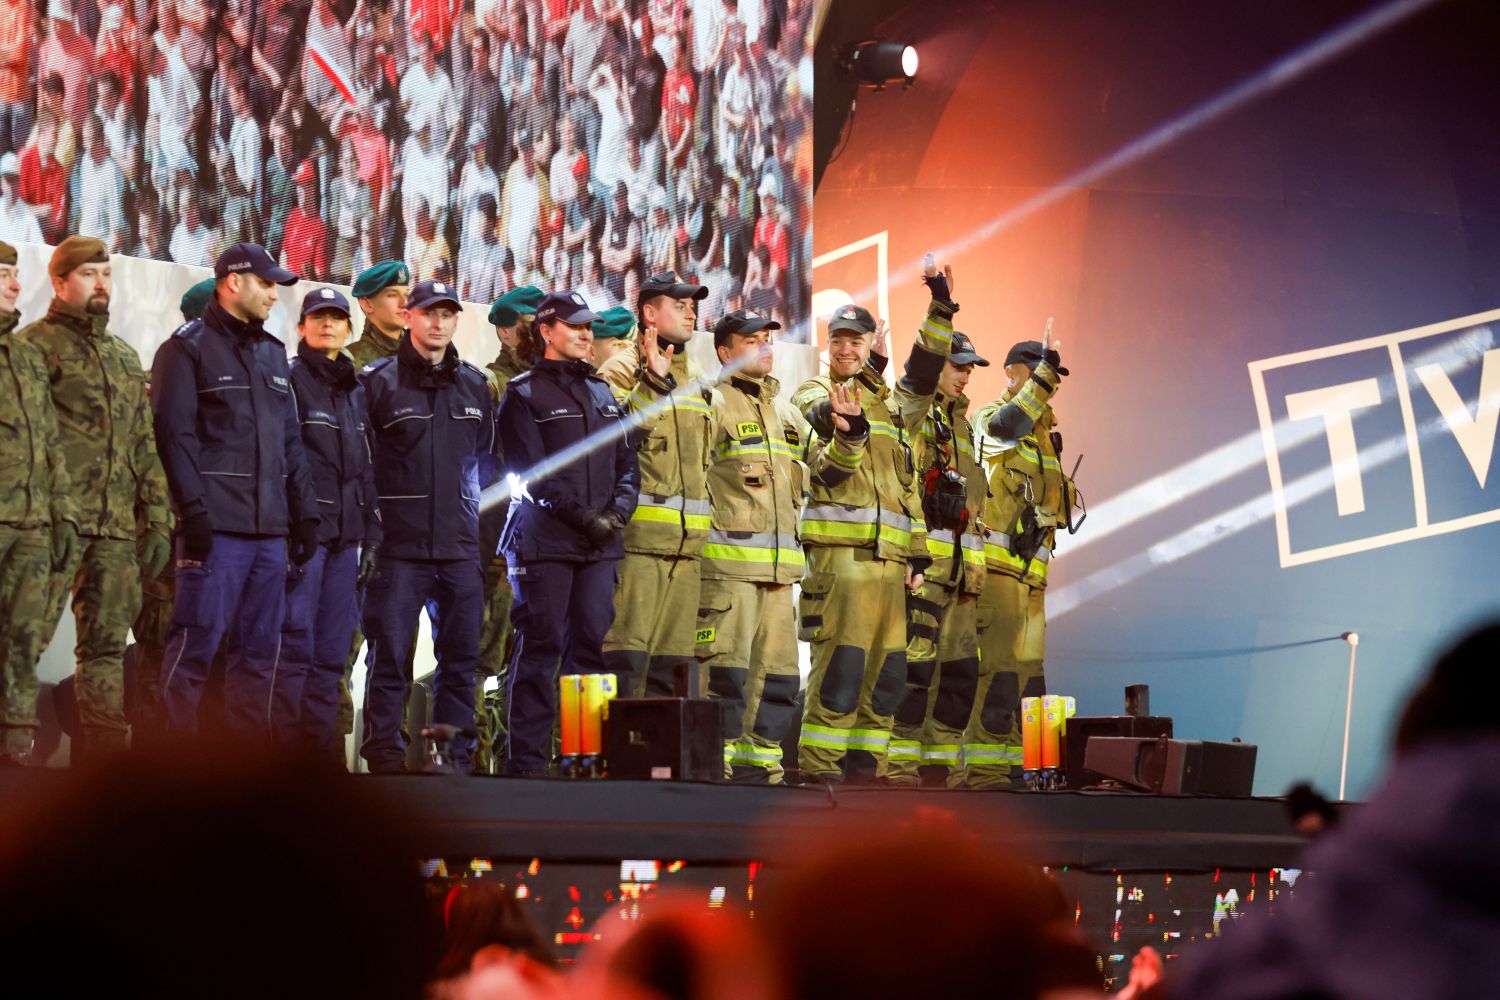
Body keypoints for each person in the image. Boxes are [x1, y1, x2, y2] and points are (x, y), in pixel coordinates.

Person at [149, 242, 319, 742]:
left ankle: (245, 778)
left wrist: (303, 514)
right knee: (193, 649)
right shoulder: (185, 349)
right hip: (215, 533)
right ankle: (172, 776)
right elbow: (174, 438)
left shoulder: (272, 354)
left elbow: (291, 441)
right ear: (233, 282)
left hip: (270, 536)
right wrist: (193, 513)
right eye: (267, 284)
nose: (275, 295)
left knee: (260, 656)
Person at [791, 270, 955, 784]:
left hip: (889, 571)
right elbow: (826, 442)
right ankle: (819, 780)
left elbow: (923, 376)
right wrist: (849, 427)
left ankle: (869, 783)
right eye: (838, 340)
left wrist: (941, 308)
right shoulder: (813, 392)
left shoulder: (889, 407)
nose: (845, 349)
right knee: (838, 680)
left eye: (855, 341)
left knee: (885, 685)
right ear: (828, 344)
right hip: (841, 566)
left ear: (868, 346)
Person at [699, 309, 867, 784]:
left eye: (767, 339)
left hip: (780, 581)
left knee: (778, 684)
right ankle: (717, 778)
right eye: (750, 340)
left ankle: (763, 777)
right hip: (726, 578)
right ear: (725, 352)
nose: (763, 346)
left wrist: (850, 434)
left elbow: (828, 473)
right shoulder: (711, 402)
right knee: (724, 682)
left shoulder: (787, 414)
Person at [19, 237, 171, 762]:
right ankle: (10, 760)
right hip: (50, 522)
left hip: (115, 531)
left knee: (105, 650)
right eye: (89, 274)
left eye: (106, 273)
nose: (101, 283)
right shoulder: (34, 347)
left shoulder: (123, 356)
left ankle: (102, 767)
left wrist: (156, 521)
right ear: (60, 283)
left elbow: (143, 445)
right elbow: (29, 440)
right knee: (22, 642)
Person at [497, 290, 639, 776]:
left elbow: (627, 463)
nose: (585, 334)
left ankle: (584, 760)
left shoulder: (603, 392)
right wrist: (586, 519)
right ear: (546, 331)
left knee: (589, 653)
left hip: (599, 546)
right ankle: (527, 766)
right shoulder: (523, 392)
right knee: (540, 648)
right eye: (575, 326)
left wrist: (616, 516)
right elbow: (533, 473)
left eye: (589, 328)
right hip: (544, 544)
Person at [359, 279, 497, 774]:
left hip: (459, 551)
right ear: (408, 318)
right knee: (390, 658)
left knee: (461, 665)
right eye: (428, 313)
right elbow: (361, 466)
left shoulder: (477, 386)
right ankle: (385, 760)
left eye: (447, 314)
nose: (439, 323)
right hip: (398, 549)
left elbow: (489, 467)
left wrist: (484, 544)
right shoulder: (375, 383)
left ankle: (452, 762)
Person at [594, 271, 713, 699]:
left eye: (693, 306)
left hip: (686, 554)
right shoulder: (620, 369)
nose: (690, 313)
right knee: (620, 669)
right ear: (648, 312)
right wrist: (651, 384)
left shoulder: (698, 378)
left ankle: (654, 768)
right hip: (635, 549)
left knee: (671, 676)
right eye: (678, 306)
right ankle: (604, 764)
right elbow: (609, 443)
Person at [272, 288, 380, 757]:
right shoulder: (289, 381)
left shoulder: (356, 390)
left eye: (337, 318)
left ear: (349, 330)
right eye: (318, 317)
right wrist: (299, 526)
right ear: (301, 327)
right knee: (293, 653)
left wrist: (372, 532)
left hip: (346, 542)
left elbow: (367, 467)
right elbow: (284, 460)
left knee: (331, 657)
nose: (328, 325)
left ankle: (316, 764)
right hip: (305, 541)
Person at [964, 338, 1072, 787]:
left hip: (1033, 582)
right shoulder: (990, 418)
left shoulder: (1046, 439)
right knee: (999, 673)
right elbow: (1006, 427)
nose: (1049, 388)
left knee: (1032, 682)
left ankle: (1033, 770)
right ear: (1014, 373)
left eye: (1052, 379)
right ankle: (985, 773)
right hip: (999, 573)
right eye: (1040, 376)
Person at [888, 327, 991, 786]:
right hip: (924, 573)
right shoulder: (912, 413)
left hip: (964, 581)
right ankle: (902, 776)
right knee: (914, 677)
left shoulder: (965, 428)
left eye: (970, 367)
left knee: (959, 681)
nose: (965, 375)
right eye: (957, 365)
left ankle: (943, 779)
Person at [129, 278, 218, 746]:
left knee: (214, 657)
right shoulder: (163, 376)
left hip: (221, 538)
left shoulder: (237, 382)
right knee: (161, 654)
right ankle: (153, 768)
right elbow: (146, 462)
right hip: (167, 538)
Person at [0, 239, 78, 764]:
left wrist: (63, 513)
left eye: (14, 273)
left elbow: (49, 441)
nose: (15, 284)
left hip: (30, 525)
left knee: (24, 642)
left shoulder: (25, 355)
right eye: (3, 274)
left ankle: (13, 749)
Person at [349, 260, 411, 367]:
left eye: (407, 295)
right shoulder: (349, 362)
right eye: (392, 295)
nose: (404, 303)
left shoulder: (423, 351)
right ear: (367, 304)